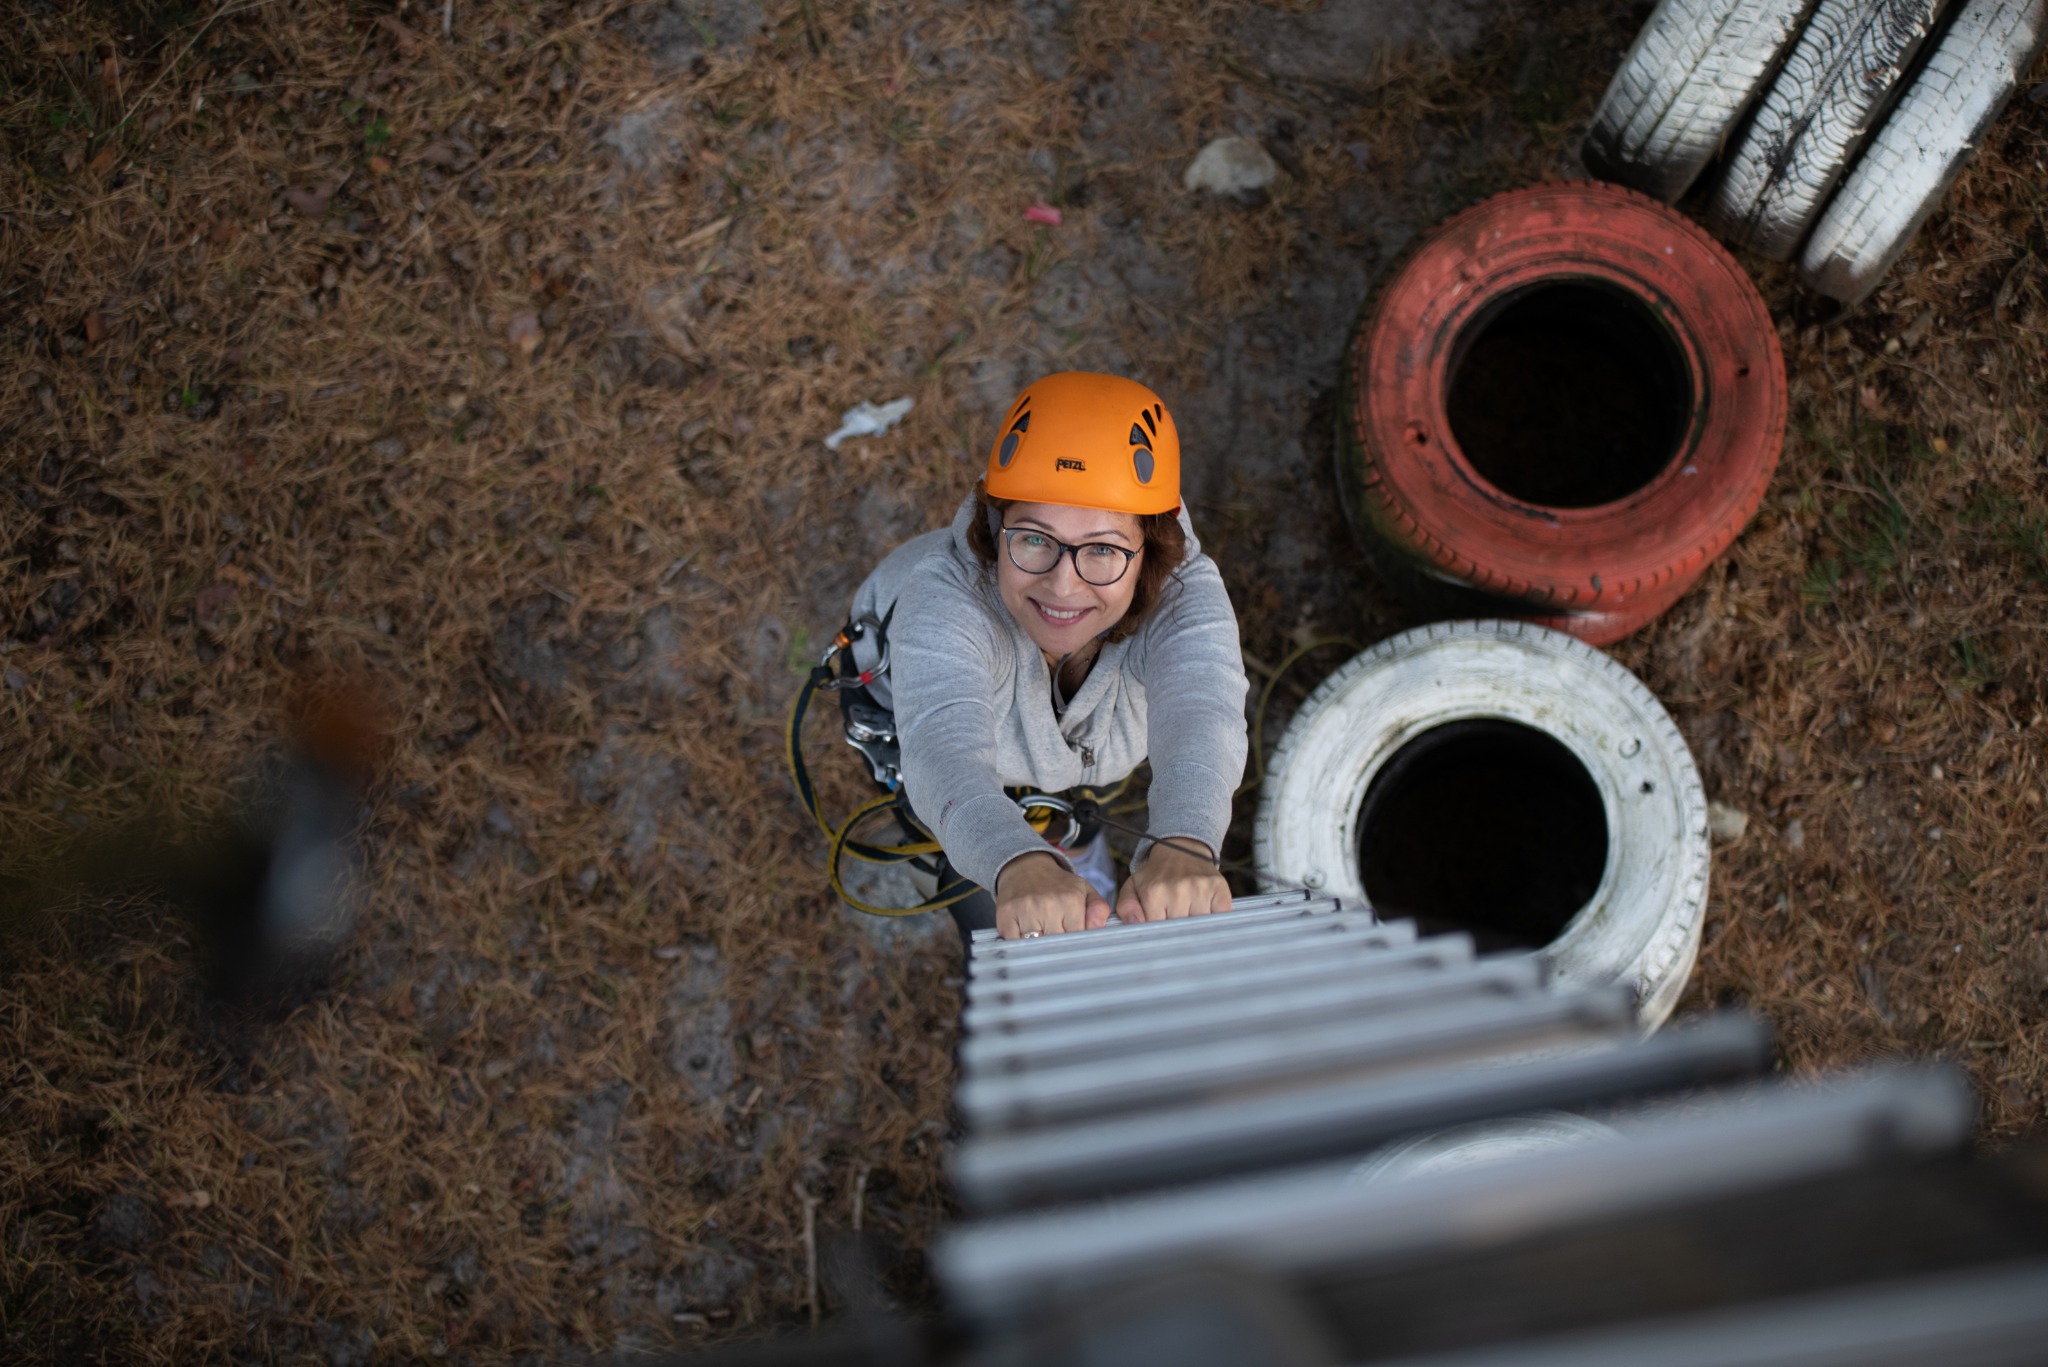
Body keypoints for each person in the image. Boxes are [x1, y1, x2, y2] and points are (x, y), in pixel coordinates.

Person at [839, 371, 1248, 940]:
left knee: (1077, 811)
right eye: (1034, 538)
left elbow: (1204, 708)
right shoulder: (943, 597)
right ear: (994, 523)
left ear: (1150, 547)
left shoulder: (1183, 593)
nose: (1062, 586)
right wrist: (1013, 861)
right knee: (974, 877)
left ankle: (1073, 843)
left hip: (1079, 761)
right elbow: (941, 752)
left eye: (1102, 549)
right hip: (902, 717)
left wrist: (1186, 837)